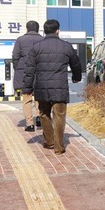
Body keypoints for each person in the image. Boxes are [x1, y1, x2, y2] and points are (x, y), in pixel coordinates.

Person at [22, 19, 81, 155]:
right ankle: (59, 147)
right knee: (59, 115)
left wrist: (27, 88)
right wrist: (76, 77)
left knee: (43, 114)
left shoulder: (36, 47)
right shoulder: (66, 46)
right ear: (57, 30)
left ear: (44, 31)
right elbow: (76, 64)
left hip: (42, 87)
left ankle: (49, 141)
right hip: (59, 86)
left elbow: (29, 69)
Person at [12, 20, 43, 132]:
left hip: (24, 72)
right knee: (39, 97)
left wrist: (18, 68)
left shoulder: (20, 40)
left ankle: (30, 124)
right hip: (39, 71)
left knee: (26, 98)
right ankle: (39, 117)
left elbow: (15, 56)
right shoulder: (42, 40)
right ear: (37, 29)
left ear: (27, 29)